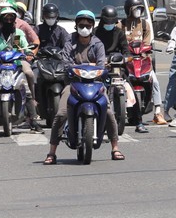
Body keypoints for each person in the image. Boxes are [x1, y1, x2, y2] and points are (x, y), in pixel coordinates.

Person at [43, 10, 125, 164]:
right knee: (61, 113)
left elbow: (101, 65)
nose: (84, 27)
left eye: (88, 25)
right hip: (73, 84)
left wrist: (83, 67)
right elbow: (66, 63)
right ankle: (52, 152)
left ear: (93, 26)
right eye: (81, 25)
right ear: (76, 26)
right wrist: (87, 66)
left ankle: (115, 148)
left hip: (96, 84)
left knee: (108, 112)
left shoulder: (98, 44)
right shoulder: (69, 43)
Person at [0, 7, 43, 136]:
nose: (8, 20)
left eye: (11, 18)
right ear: (1, 20)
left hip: (16, 64)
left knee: (28, 79)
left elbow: (23, 46)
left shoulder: (18, 33)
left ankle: (33, 119)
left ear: (14, 20)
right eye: (5, 18)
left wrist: (29, 53)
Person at [120, 0, 167, 131]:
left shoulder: (145, 24)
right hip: (127, 61)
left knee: (155, 81)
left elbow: (147, 43)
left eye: (140, 9)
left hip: (142, 59)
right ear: (128, 10)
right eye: (136, 9)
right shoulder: (121, 25)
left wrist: (145, 51)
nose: (138, 11)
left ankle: (157, 112)